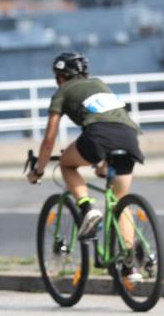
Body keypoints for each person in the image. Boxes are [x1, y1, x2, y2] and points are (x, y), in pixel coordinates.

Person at [26, 51, 145, 280]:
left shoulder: (62, 92)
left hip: (98, 136)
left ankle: (87, 209)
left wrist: (38, 169)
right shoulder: (99, 84)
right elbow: (110, 119)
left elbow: (50, 138)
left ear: (61, 76)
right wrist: (103, 162)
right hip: (129, 137)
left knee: (65, 164)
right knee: (121, 202)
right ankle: (130, 266)